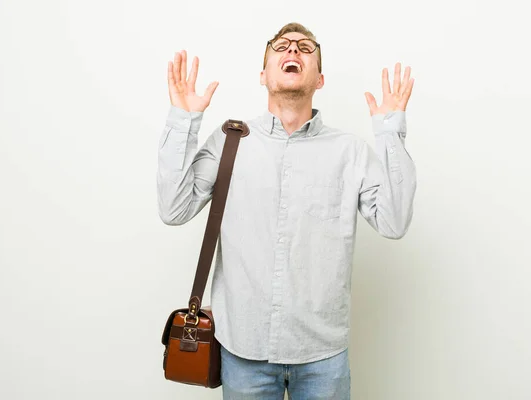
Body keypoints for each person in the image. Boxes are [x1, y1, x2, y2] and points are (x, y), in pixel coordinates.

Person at [158, 22, 416, 400]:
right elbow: (173, 209)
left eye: (305, 48)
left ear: (321, 79)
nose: (293, 50)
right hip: (242, 351)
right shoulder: (230, 140)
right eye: (282, 46)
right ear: (263, 75)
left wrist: (390, 131)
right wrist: (184, 122)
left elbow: (393, 223)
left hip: (323, 358)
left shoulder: (351, 152)